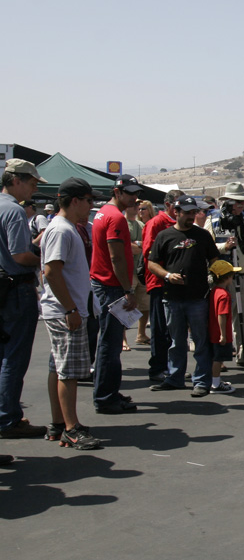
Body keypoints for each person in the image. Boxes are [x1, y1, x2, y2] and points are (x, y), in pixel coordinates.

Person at [40, 178, 102, 450]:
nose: (91, 206)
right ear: (74, 200)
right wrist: (71, 309)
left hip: (64, 309)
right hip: (65, 311)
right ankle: (70, 427)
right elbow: (51, 271)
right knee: (69, 372)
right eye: (89, 201)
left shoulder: (65, 228)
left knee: (60, 368)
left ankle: (59, 423)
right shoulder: (62, 230)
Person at [148, 196, 220, 396]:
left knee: (200, 340)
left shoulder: (202, 235)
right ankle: (175, 378)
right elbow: (152, 263)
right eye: (186, 212)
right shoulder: (164, 236)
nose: (191, 216)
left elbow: (214, 259)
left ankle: (202, 381)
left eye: (193, 212)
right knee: (176, 342)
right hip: (172, 297)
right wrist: (168, 275)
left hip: (197, 297)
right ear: (176, 212)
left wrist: (221, 279)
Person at [0, 159, 46, 444]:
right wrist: (44, 257)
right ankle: (8, 418)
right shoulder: (14, 211)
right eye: (31, 183)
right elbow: (20, 255)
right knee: (14, 358)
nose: (33, 189)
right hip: (15, 289)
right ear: (16, 180)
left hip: (5, 287)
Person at [90, 175, 141, 414]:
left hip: (104, 284)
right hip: (111, 286)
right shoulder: (115, 217)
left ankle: (108, 392)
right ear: (117, 192)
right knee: (110, 346)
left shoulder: (104, 213)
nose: (134, 197)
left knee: (109, 344)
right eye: (129, 192)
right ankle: (106, 397)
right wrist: (127, 289)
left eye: (135, 192)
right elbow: (116, 256)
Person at [208, 183, 244, 368]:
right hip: (224, 278)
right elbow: (207, 248)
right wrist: (224, 247)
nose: (240, 206)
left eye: (243, 202)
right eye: (237, 202)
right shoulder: (214, 220)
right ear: (227, 202)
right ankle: (218, 359)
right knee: (221, 317)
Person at [142, 190, 181, 382]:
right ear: (168, 205)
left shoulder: (178, 223)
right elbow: (149, 252)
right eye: (177, 206)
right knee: (159, 328)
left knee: (173, 328)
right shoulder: (157, 223)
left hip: (175, 282)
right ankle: (157, 367)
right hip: (159, 281)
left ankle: (171, 366)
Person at [208, 260, 240, 394]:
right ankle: (215, 384)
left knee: (213, 358)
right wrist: (223, 334)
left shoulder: (214, 291)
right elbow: (222, 314)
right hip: (219, 333)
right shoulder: (224, 295)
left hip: (212, 331)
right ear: (227, 277)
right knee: (218, 359)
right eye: (232, 275)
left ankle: (213, 380)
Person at [124, 200, 150, 347]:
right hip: (128, 271)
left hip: (141, 271)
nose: (137, 209)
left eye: (139, 207)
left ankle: (141, 334)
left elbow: (145, 246)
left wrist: (137, 244)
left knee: (144, 305)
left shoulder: (141, 226)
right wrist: (137, 245)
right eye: (133, 205)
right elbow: (127, 247)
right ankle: (123, 338)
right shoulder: (122, 223)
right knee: (126, 305)